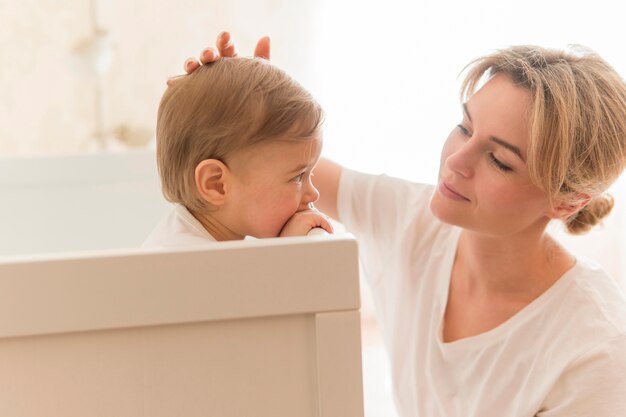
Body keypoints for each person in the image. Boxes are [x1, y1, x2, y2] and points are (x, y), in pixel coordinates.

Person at [184, 33, 626, 416]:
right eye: (464, 127)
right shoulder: (411, 219)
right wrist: (235, 115)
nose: (455, 161)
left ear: (568, 201)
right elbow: (274, 174)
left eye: (498, 159)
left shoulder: (594, 348)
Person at [144, 52, 333, 248]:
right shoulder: (190, 261)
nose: (314, 194)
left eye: (310, 174)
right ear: (216, 183)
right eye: (298, 176)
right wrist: (287, 254)